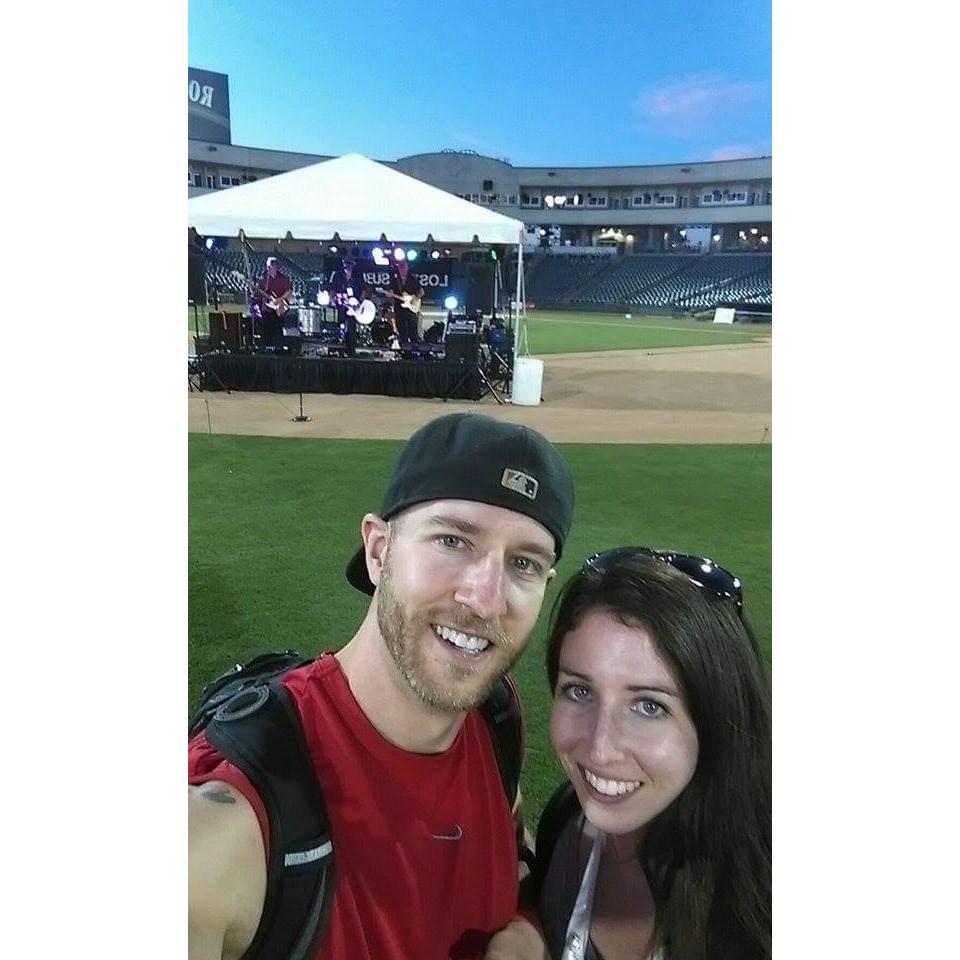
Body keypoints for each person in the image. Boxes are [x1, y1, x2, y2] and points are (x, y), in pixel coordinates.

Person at [189, 412, 576, 960]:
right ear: (378, 551)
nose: (486, 598)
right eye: (452, 540)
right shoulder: (240, 809)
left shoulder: (494, 717)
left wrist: (527, 930)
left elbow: (511, 853)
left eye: (524, 563)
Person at [534, 548, 771, 960]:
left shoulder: (764, 905)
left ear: (717, 718)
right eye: (579, 690)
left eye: (649, 706)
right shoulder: (565, 825)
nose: (600, 749)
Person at [252, 255, 292, 347]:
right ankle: (266, 349)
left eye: (273, 266)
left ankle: (277, 349)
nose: (271, 268)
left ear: (276, 267)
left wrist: (279, 299)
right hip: (266, 310)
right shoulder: (264, 279)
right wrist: (255, 290)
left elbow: (289, 290)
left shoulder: (283, 279)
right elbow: (259, 292)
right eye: (269, 266)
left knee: (277, 331)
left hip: (279, 309)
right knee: (265, 331)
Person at [387, 255, 425, 345]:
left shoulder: (412, 279)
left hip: (411, 307)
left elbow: (421, 292)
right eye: (401, 267)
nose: (403, 269)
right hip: (399, 307)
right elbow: (391, 291)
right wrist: (389, 294)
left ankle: (415, 348)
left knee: (412, 329)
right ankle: (403, 348)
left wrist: (414, 298)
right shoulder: (395, 279)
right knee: (402, 329)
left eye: (404, 267)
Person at [329, 258, 363, 356]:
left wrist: (359, 302)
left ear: (353, 264)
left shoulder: (357, 277)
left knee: (351, 326)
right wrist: (332, 298)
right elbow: (333, 289)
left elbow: (364, 290)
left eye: (349, 263)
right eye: (345, 263)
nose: (346, 265)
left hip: (354, 306)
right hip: (342, 304)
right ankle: (340, 346)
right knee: (340, 323)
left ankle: (351, 348)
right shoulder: (337, 276)